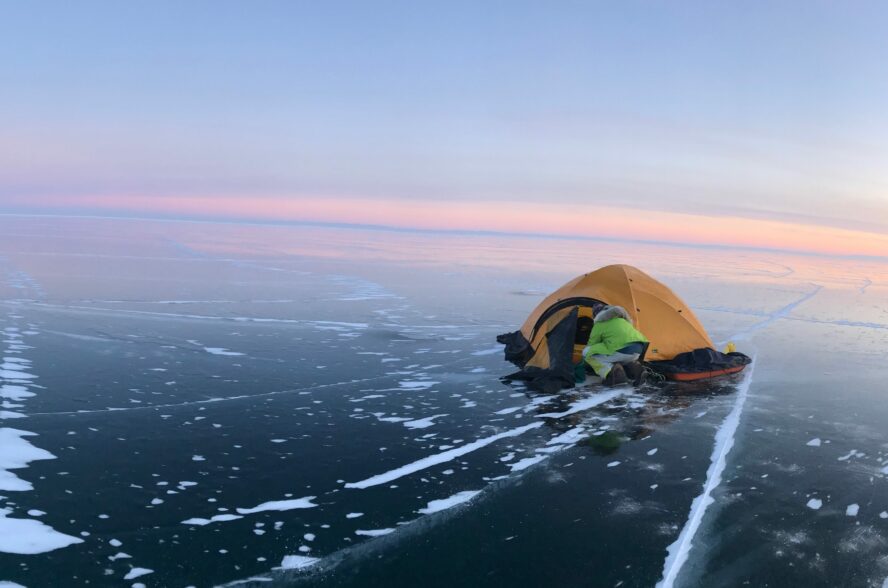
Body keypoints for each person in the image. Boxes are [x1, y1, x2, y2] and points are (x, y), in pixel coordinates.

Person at [582, 305, 648, 385]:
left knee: (588, 354)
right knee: (625, 358)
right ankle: (638, 370)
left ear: (596, 314)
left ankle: (616, 375)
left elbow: (592, 344)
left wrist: (584, 359)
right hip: (639, 348)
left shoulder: (600, 323)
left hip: (621, 349)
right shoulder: (622, 320)